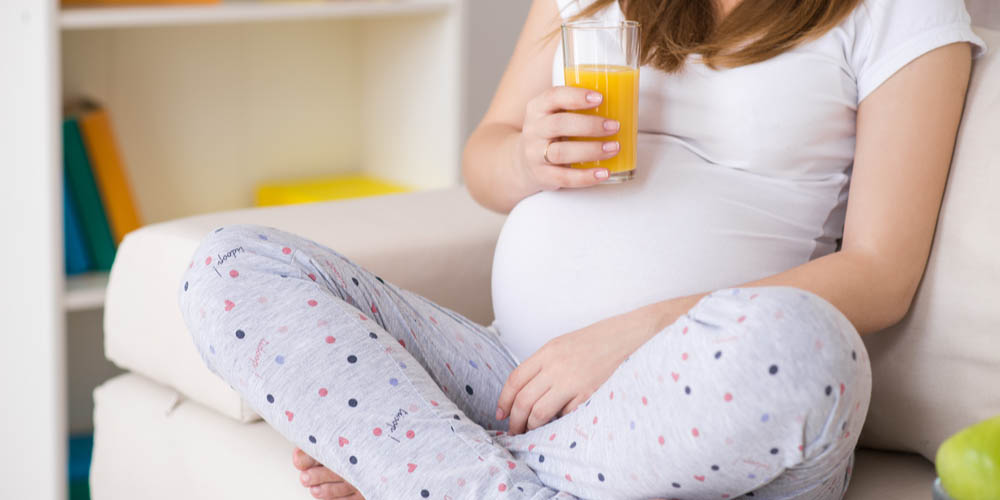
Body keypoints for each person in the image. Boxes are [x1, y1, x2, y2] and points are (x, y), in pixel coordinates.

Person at [177, 0, 985, 498]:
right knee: (231, 266)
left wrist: (638, 334)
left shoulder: (900, 8)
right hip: (514, 375)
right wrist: (526, 157)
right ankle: (464, 473)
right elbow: (483, 163)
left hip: (704, 394)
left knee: (803, 348)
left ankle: (422, 466)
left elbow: (882, 273)